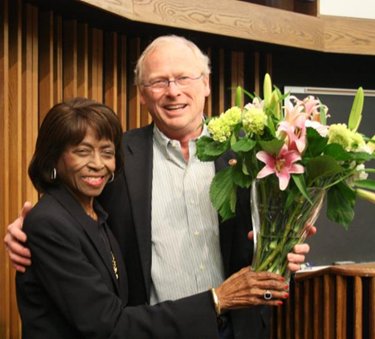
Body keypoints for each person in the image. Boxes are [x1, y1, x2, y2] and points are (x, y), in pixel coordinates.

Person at [6, 36, 313, 339]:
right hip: (146, 331)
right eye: (159, 82)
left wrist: (288, 252)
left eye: (183, 77)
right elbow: (75, 219)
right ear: (142, 94)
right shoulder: (116, 157)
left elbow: (269, 243)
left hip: (235, 330)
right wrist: (23, 232)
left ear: (206, 83)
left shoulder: (252, 154)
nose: (173, 91)